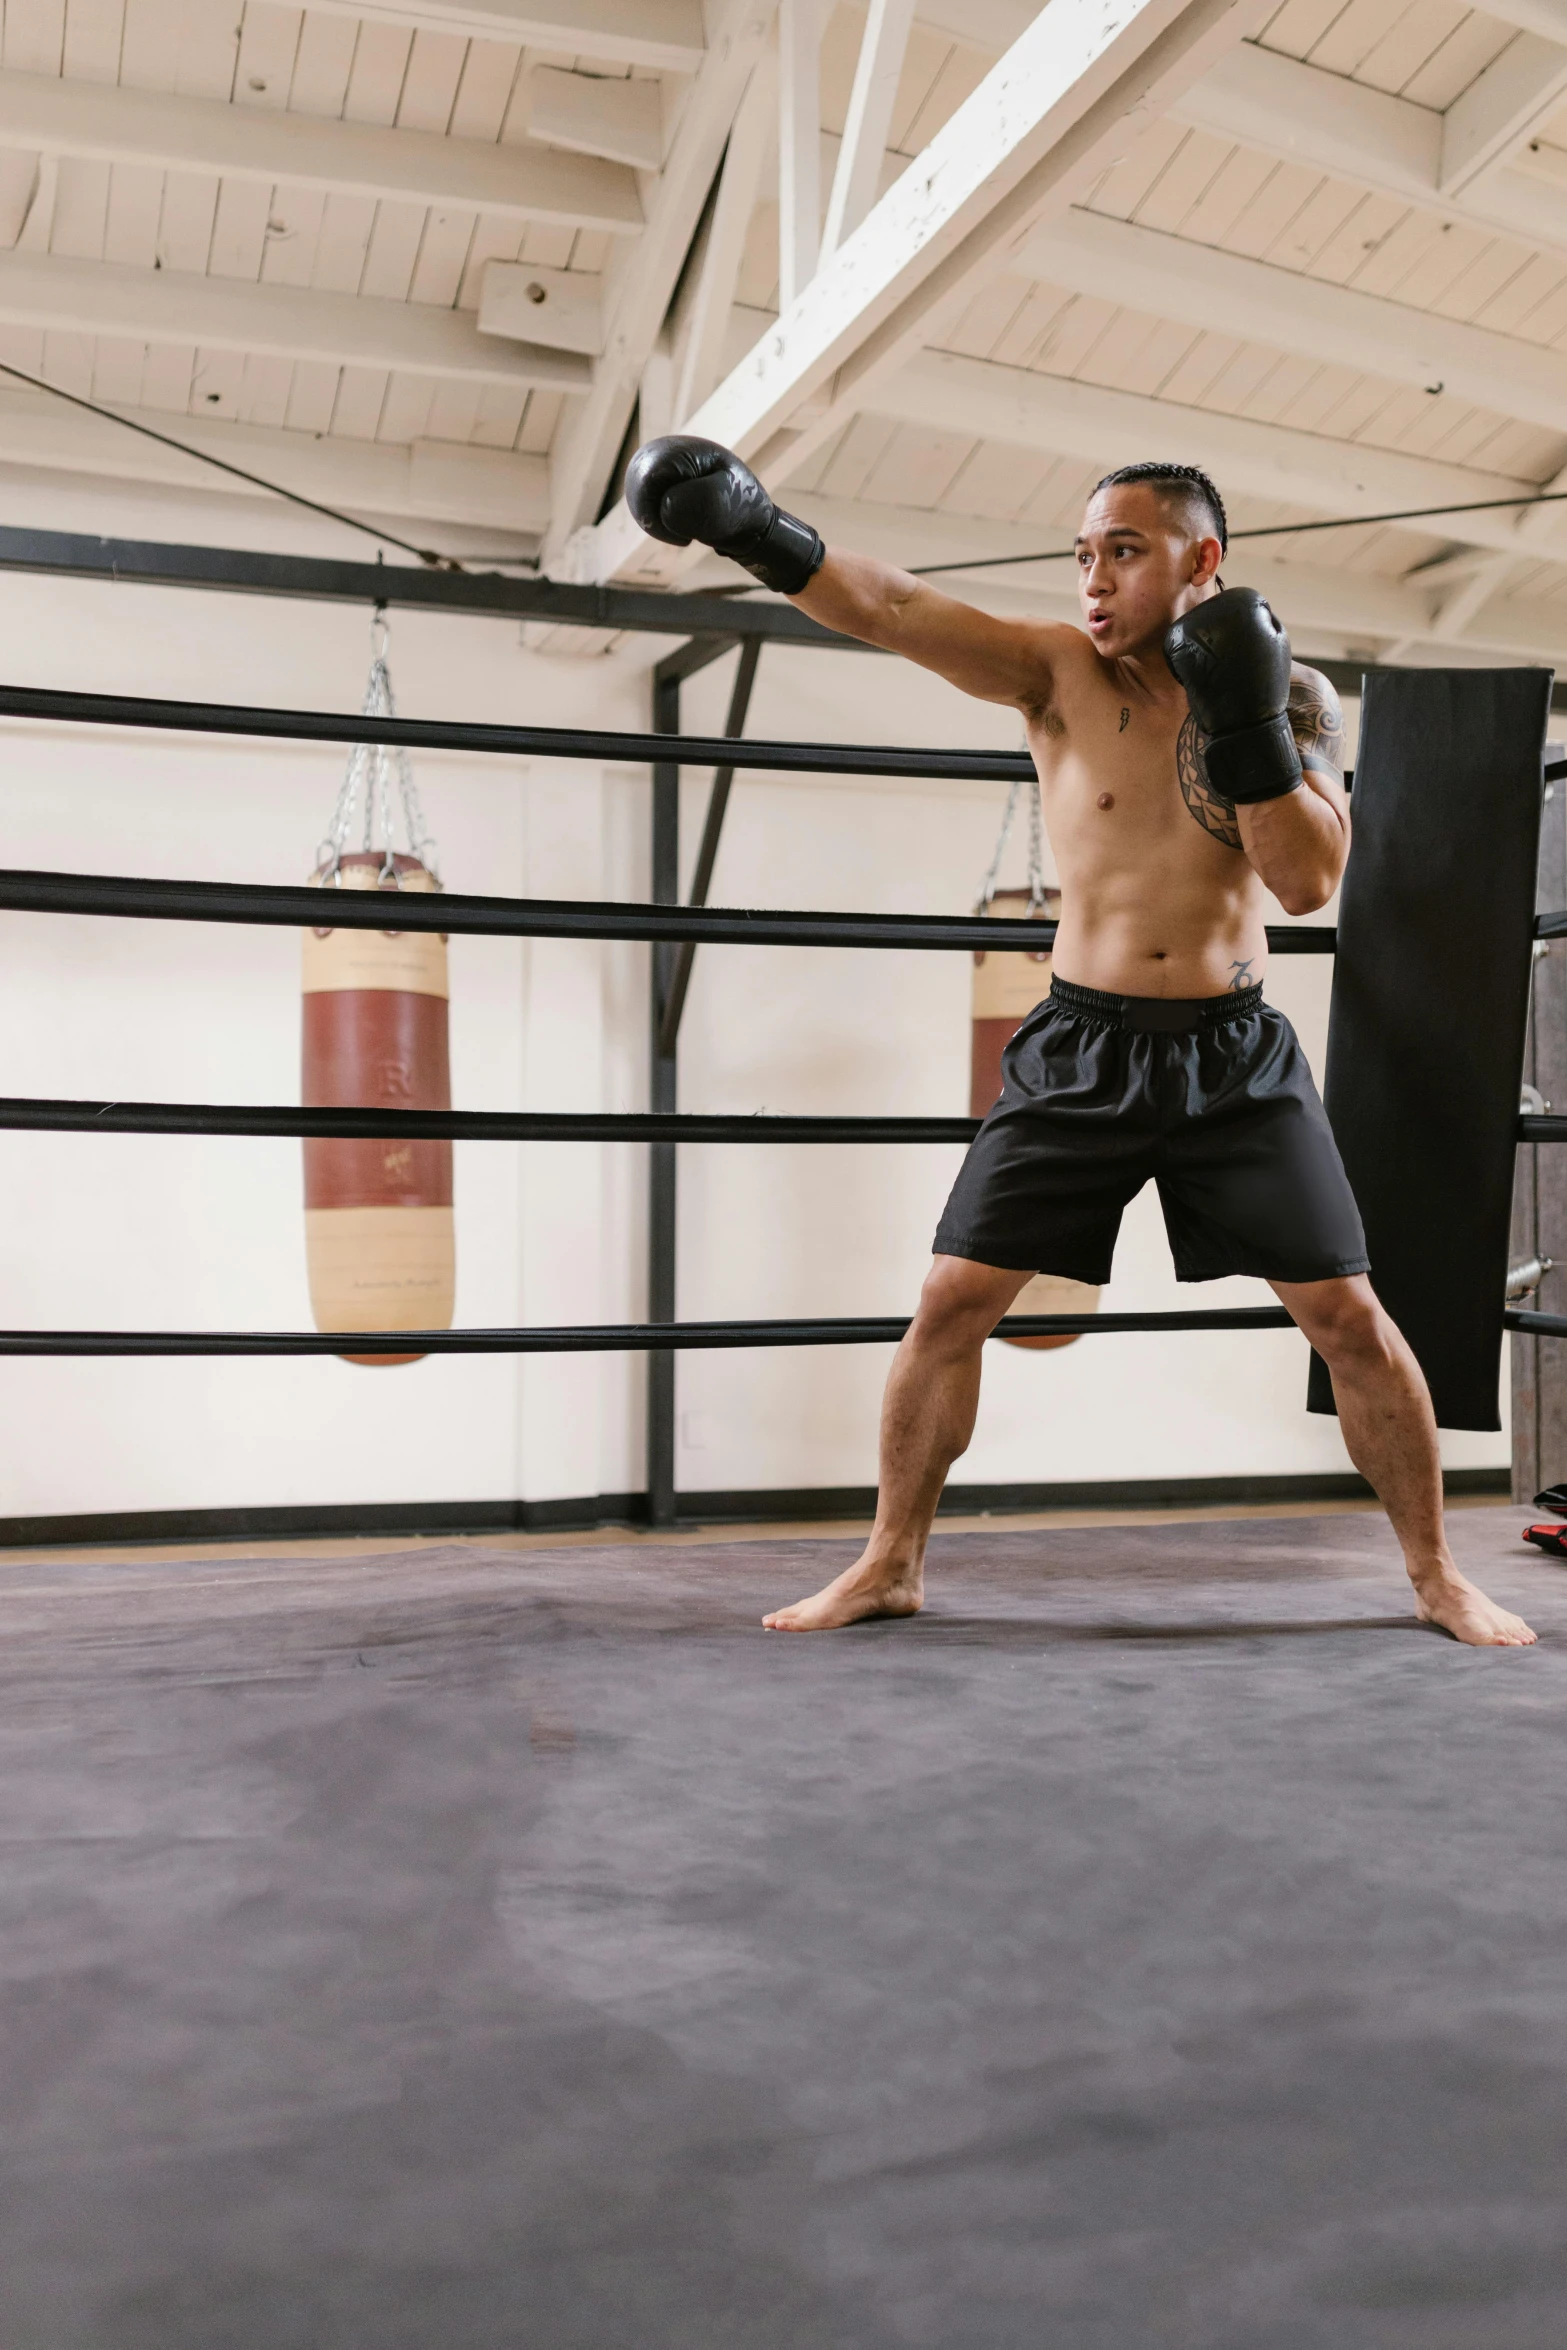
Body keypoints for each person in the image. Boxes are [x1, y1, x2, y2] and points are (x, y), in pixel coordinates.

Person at [625, 436, 1536, 1650]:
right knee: (950, 1301)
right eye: (1081, 556)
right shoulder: (1053, 672)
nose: (1092, 581)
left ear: (1201, 559)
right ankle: (889, 1561)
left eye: (1122, 551)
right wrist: (754, 529)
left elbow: (1307, 880)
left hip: (1232, 1055)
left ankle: (1436, 1576)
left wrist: (1243, 717)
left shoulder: (1294, 695)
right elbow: (895, 607)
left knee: (1349, 1319)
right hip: (1079, 1046)